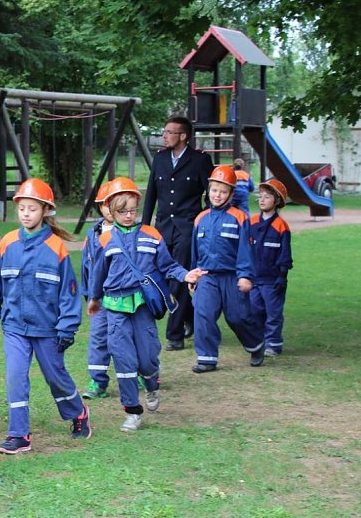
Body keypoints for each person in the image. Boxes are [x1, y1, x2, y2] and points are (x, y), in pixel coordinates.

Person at [0, 178, 92, 454]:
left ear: (45, 211)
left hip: (47, 329)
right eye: (22, 208)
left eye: (32, 208)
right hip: (15, 326)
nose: (26, 214)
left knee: (55, 376)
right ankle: (19, 435)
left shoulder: (56, 248)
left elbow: (69, 293)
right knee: (15, 376)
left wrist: (67, 328)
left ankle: (78, 412)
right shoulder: (7, 243)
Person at [88, 177, 205, 432]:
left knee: (148, 358)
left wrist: (186, 275)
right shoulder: (106, 240)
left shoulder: (152, 235)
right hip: (115, 308)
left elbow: (168, 265)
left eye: (133, 210)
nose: (129, 216)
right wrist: (94, 298)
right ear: (111, 210)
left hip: (143, 308)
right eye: (122, 211)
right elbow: (99, 272)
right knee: (123, 359)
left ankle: (152, 384)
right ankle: (132, 411)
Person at [142, 115, 214, 351]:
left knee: (180, 279)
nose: (164, 135)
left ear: (183, 136)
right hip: (163, 228)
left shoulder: (200, 160)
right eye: (165, 131)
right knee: (162, 275)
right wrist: (143, 227)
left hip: (187, 227)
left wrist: (201, 219)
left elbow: (212, 194)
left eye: (169, 132)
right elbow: (151, 194)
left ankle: (175, 335)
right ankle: (191, 318)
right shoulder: (160, 158)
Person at [190, 165, 266, 373]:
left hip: (232, 277)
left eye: (223, 191)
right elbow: (194, 250)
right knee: (203, 313)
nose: (218, 195)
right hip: (207, 277)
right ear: (209, 191)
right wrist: (193, 274)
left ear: (231, 194)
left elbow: (245, 250)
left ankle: (256, 346)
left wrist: (245, 276)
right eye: (214, 190)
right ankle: (206, 358)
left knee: (237, 317)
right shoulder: (200, 218)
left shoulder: (239, 218)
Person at [249, 179, 293, 356]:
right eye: (260, 196)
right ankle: (259, 342)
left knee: (273, 313)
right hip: (253, 278)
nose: (262, 200)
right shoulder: (251, 223)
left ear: (276, 200)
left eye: (267, 197)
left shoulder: (281, 226)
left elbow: (285, 254)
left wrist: (282, 276)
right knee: (254, 310)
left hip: (272, 280)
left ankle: (273, 343)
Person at [80, 181, 115, 399]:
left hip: (126, 298)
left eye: (116, 204)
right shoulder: (92, 234)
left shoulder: (134, 231)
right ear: (100, 206)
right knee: (98, 338)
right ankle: (98, 381)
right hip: (99, 299)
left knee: (131, 339)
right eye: (106, 204)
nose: (111, 209)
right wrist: (89, 294)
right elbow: (86, 266)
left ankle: (143, 373)